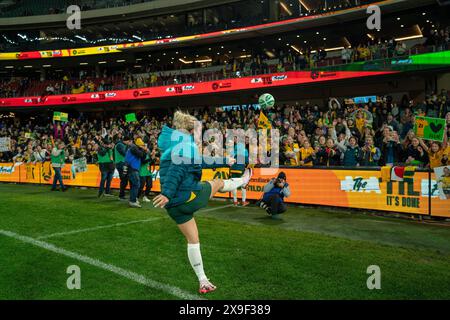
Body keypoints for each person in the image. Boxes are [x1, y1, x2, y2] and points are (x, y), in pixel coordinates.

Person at [152, 111, 253, 294]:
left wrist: (223, 161)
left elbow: (198, 162)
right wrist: (167, 193)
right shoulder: (184, 145)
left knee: (193, 241)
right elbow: (177, 169)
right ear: (191, 131)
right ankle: (242, 182)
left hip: (174, 207)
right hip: (186, 196)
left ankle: (203, 280)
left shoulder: (172, 143)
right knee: (218, 183)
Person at [125, 138, 148, 208]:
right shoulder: (133, 148)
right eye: (142, 145)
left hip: (132, 168)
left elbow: (143, 157)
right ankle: (132, 201)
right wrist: (144, 150)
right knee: (136, 184)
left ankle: (133, 199)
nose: (143, 146)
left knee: (133, 185)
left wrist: (145, 151)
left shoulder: (135, 148)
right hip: (132, 168)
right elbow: (141, 155)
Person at [230, 141, 249, 206]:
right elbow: (247, 161)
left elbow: (229, 161)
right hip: (240, 169)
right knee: (243, 186)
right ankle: (243, 201)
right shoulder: (244, 151)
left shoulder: (233, 152)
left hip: (233, 169)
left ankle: (235, 201)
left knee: (234, 185)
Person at [114, 135, 132, 201]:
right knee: (124, 179)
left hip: (123, 164)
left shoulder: (122, 145)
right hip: (121, 164)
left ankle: (122, 195)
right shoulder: (119, 145)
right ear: (126, 141)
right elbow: (124, 153)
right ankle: (121, 196)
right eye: (129, 141)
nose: (129, 143)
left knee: (124, 180)